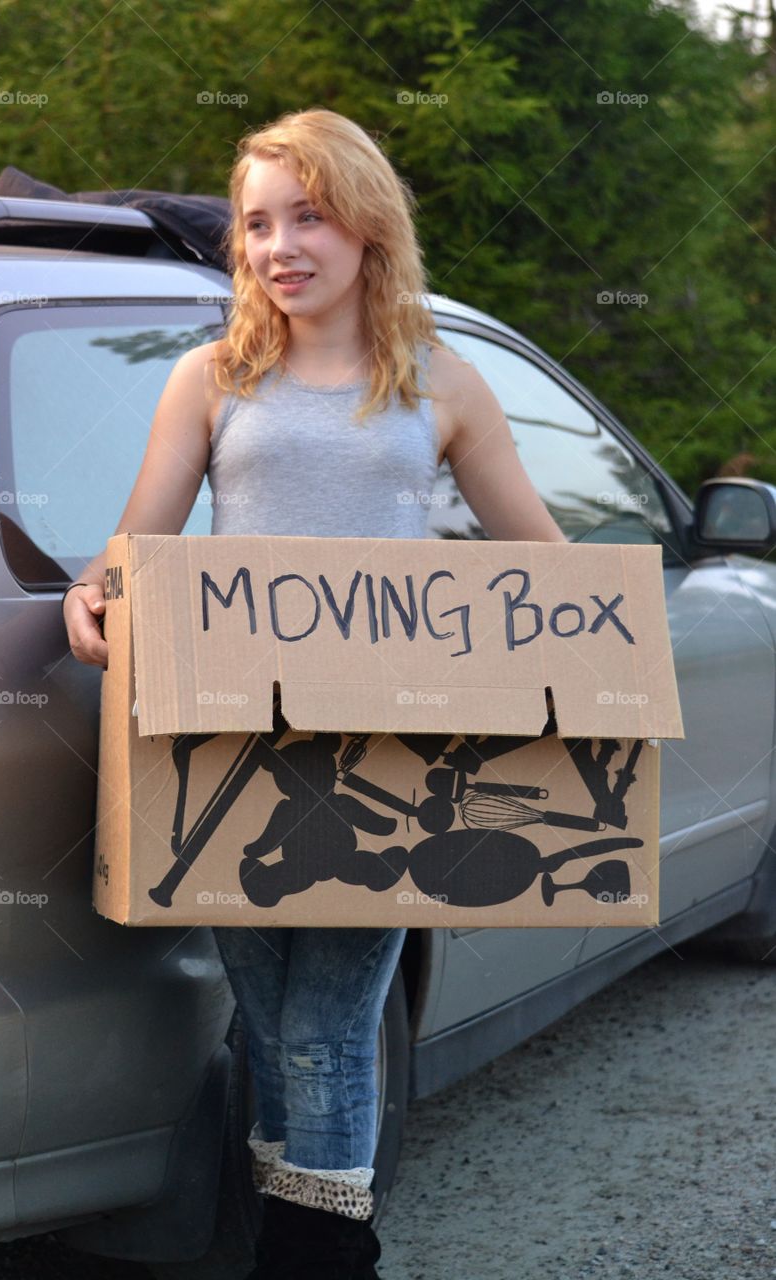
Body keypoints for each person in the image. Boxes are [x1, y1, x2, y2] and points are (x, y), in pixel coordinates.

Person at [64, 107, 567, 1279]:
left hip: (387, 753)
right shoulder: (211, 377)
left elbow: (546, 566)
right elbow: (137, 540)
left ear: (367, 225)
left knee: (331, 1026)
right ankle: (295, 1247)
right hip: (233, 751)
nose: (279, 245)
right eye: (255, 223)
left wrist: (492, 628)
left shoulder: (443, 384)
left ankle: (325, 1261)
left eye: (308, 216)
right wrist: (89, 596)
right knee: (274, 1025)